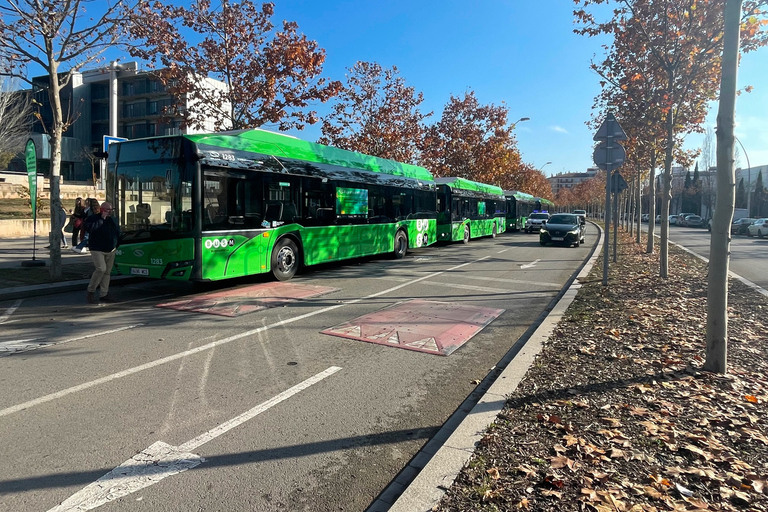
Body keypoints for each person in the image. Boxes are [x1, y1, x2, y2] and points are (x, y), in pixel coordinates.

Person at [84, 201, 120, 304]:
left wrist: (116, 244)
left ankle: (104, 293)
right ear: (102, 209)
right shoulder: (93, 218)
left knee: (107, 272)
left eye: (111, 210)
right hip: (97, 249)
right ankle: (91, 290)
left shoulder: (112, 220)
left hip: (111, 249)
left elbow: (117, 232)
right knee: (101, 268)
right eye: (108, 210)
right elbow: (90, 229)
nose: (110, 212)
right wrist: (101, 219)